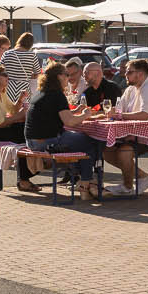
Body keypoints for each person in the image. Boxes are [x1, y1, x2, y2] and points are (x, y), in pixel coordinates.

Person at [19, 60, 106, 200]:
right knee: (92, 142)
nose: (69, 78)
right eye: (66, 74)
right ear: (59, 77)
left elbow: (59, 116)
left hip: (32, 141)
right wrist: (85, 115)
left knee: (81, 143)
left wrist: (76, 111)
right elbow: (69, 121)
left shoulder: (41, 92)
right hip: (47, 141)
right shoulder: (57, 94)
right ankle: (86, 184)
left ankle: (84, 182)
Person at [0, 32, 42, 111]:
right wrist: (29, 75)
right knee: (23, 111)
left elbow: (0, 70)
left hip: (8, 86)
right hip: (24, 88)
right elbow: (38, 73)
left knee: (7, 110)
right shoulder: (32, 55)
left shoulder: (7, 53)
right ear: (30, 44)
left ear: (19, 41)